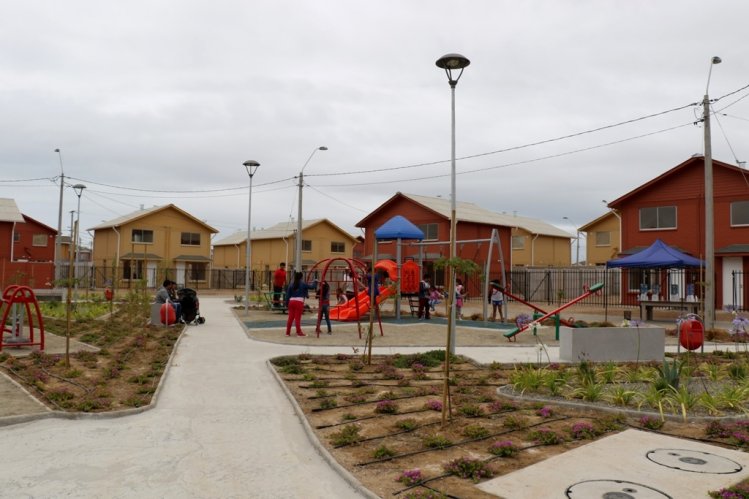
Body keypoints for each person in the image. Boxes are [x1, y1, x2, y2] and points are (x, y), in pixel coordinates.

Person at [284, 271, 314, 337]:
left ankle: (287, 333)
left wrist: (286, 303)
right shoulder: (303, 283)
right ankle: (299, 332)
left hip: (291, 301)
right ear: (301, 277)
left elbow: (288, 295)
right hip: (299, 302)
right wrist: (315, 282)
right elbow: (312, 287)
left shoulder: (291, 284)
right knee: (297, 318)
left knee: (290, 318)